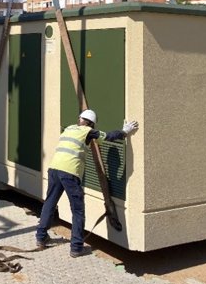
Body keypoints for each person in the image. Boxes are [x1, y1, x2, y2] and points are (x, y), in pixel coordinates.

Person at [35, 109, 138, 258]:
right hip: (69, 173)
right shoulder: (88, 131)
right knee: (78, 211)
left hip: (54, 169)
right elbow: (109, 137)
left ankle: (41, 238)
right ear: (91, 124)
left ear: (80, 119)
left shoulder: (70, 128)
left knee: (49, 203)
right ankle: (76, 248)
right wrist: (124, 131)